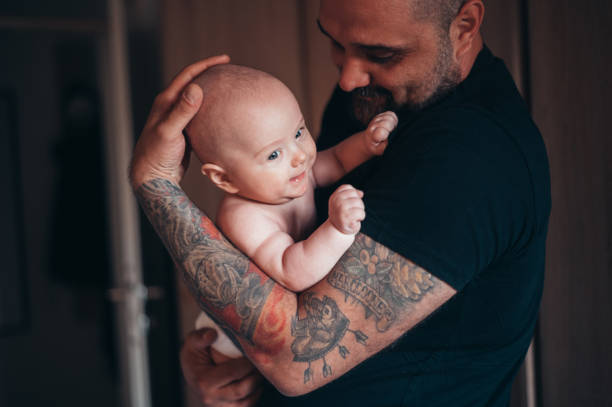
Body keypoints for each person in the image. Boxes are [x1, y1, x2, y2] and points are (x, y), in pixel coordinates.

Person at [130, 0, 551, 406]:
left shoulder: (474, 156)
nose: (348, 78)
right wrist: (226, 350)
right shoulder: (369, 95)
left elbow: (294, 356)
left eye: (380, 53)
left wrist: (156, 185)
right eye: (335, 42)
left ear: (464, 26)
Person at [185, 64, 397, 361]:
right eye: (273, 154)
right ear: (224, 179)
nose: (299, 156)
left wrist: (366, 143)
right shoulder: (244, 216)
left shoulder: (290, 173)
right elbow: (291, 271)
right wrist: (336, 229)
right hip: (232, 339)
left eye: (298, 132)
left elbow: (335, 159)